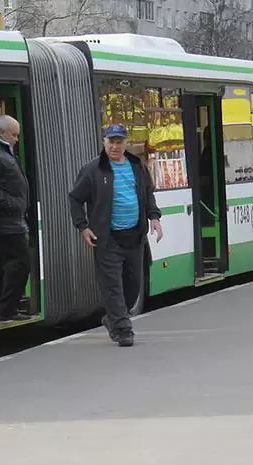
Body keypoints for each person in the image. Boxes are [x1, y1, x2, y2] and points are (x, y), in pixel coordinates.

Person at [69, 123, 163, 347]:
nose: (114, 146)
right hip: (107, 238)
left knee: (133, 285)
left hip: (135, 237)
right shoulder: (93, 169)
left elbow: (147, 193)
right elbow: (75, 198)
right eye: (111, 141)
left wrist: (154, 217)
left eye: (119, 142)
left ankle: (113, 317)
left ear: (126, 143)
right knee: (112, 286)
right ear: (104, 142)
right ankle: (123, 330)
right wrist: (82, 226)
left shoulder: (137, 166)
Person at [0, 114, 31, 321]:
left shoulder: (3, 151)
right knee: (21, 262)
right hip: (6, 222)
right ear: (2, 133)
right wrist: (11, 204)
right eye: (13, 135)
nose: (16, 139)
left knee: (4, 262)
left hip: (10, 221)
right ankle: (6, 309)